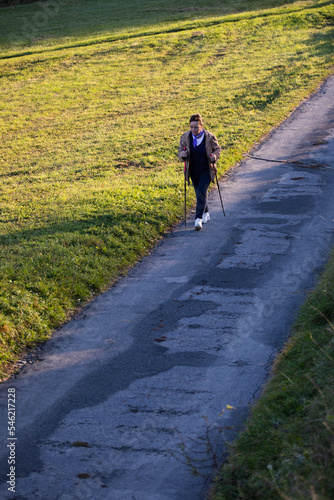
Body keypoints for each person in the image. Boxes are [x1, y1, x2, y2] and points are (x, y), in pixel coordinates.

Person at [177, 113, 221, 230]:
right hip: (192, 171)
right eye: (191, 127)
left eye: (196, 127)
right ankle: (206, 212)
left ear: (201, 126)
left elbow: (217, 149)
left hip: (206, 169)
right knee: (199, 194)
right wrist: (183, 154)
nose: (193, 129)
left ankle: (198, 219)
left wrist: (214, 157)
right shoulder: (186, 137)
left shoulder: (209, 137)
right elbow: (179, 151)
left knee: (202, 191)